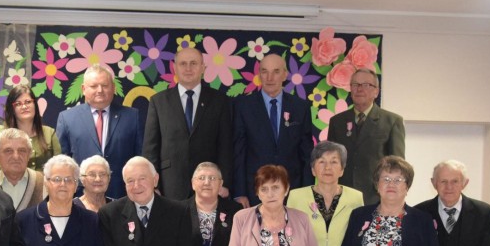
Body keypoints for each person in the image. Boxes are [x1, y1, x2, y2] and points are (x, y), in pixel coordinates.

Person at [143, 47, 233, 200]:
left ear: (203, 68)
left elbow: (226, 146)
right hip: (169, 185)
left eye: (194, 63)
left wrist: (224, 182)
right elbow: (151, 148)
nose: (188, 68)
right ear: (175, 68)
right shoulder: (158, 101)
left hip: (209, 185)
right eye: (183, 64)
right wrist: (153, 185)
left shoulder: (220, 101)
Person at [233, 54, 313, 208]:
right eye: (264, 71)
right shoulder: (242, 105)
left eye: (276, 71)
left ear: (285, 75)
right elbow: (238, 151)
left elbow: (306, 154)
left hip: (292, 191)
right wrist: (239, 191)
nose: (270, 77)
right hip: (254, 190)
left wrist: (306, 192)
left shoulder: (300, 107)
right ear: (259, 74)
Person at [57, 64, 143, 199]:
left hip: (121, 194)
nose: (100, 90)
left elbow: (140, 157)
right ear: (84, 89)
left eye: (105, 85)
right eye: (94, 86)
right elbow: (62, 162)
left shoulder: (131, 116)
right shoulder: (67, 118)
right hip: (81, 196)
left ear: (113, 88)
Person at [327, 68, 405, 205]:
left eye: (366, 85)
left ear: (376, 91)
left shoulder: (392, 121)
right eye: (355, 85)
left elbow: (397, 166)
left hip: (375, 197)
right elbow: (331, 161)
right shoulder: (337, 122)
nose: (359, 89)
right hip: (342, 197)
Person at [2, 85, 61, 171]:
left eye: (28, 102)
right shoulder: (3, 136)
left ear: (35, 105)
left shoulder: (49, 133)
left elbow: (59, 166)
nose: (24, 107)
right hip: (13, 183)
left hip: (45, 183)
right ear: (12, 109)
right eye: (18, 104)